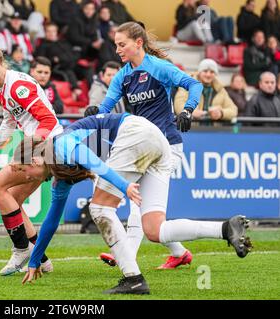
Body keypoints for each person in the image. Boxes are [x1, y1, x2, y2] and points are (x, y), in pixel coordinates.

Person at [15, 113, 252, 294]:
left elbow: (95, 163)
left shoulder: (60, 145)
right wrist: (35, 261)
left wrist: (124, 186)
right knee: (155, 230)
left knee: (99, 208)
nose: (27, 177)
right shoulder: (60, 178)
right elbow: (51, 221)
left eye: (25, 170)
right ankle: (225, 228)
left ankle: (133, 279)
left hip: (134, 134)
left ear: (35, 158)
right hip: (155, 139)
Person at [83, 21, 203, 269]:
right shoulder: (123, 76)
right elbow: (106, 108)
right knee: (147, 209)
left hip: (168, 146)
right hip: (143, 147)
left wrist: (188, 110)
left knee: (140, 204)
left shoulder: (159, 68)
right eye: (116, 45)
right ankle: (180, 254)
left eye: (122, 44)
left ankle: (124, 255)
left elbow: (195, 84)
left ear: (138, 43)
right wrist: (95, 113)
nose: (117, 50)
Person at [0, 34, 63, 275]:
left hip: (45, 148)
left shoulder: (18, 87)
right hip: (44, 149)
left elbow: (49, 120)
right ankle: (41, 259)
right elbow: (8, 124)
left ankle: (21, 249)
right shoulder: (5, 88)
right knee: (12, 199)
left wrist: (31, 148)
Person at [175, 59, 238, 123]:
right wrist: (191, 112)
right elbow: (178, 105)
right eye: (205, 71)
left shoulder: (220, 89)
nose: (208, 75)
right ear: (199, 72)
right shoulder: (188, 85)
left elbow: (233, 110)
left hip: (213, 130)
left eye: (212, 72)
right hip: (192, 129)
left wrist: (221, 113)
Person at [33, 23, 81, 94]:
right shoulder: (42, 46)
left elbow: (73, 54)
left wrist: (61, 58)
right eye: (48, 31)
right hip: (57, 68)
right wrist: (53, 59)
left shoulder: (63, 42)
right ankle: (75, 89)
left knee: (87, 70)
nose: (51, 33)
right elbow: (41, 60)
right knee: (68, 72)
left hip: (72, 64)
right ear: (45, 33)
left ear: (56, 32)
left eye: (53, 31)